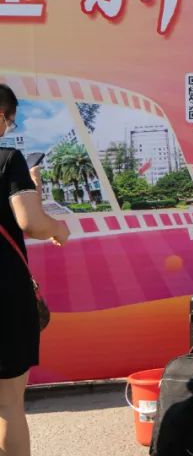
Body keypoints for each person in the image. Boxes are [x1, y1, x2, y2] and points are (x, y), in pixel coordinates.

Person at [0, 85, 70, 456]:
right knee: (7, 402)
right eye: (9, 122)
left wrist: (31, 188)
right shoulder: (8, 160)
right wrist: (58, 228)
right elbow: (31, 222)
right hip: (5, 293)